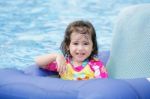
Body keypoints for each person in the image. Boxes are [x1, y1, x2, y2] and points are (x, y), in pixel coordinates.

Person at [35, 20, 108, 80]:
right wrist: (56, 56)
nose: (80, 48)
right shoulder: (63, 63)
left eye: (85, 44)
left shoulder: (96, 66)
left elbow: (101, 85)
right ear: (68, 46)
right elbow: (38, 62)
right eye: (75, 43)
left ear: (93, 47)